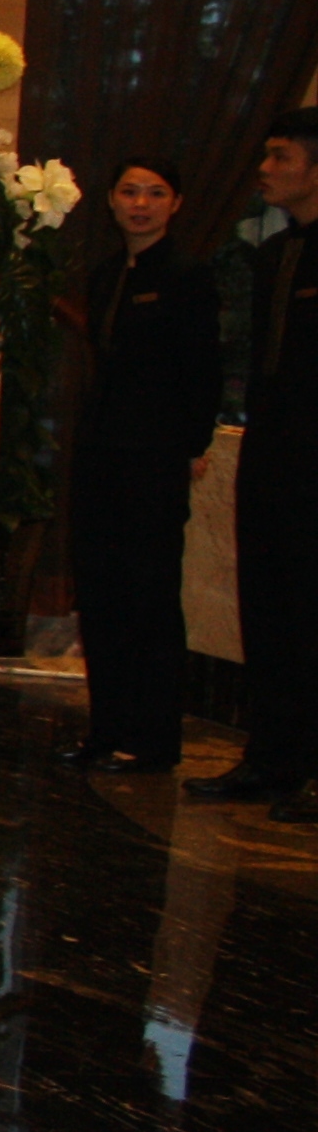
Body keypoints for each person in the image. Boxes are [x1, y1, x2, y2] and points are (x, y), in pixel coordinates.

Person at [62, 160, 221, 775]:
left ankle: (152, 739)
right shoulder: (107, 275)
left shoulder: (187, 276)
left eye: (156, 194)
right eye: (130, 191)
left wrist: (190, 446)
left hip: (153, 460)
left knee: (148, 597)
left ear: (175, 204)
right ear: (110, 200)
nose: (141, 204)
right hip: (101, 456)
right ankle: (106, 729)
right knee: (100, 593)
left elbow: (202, 372)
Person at [202, 108, 318, 813]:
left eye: (281, 157)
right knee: (269, 609)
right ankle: (270, 760)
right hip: (272, 452)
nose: (265, 170)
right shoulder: (275, 253)